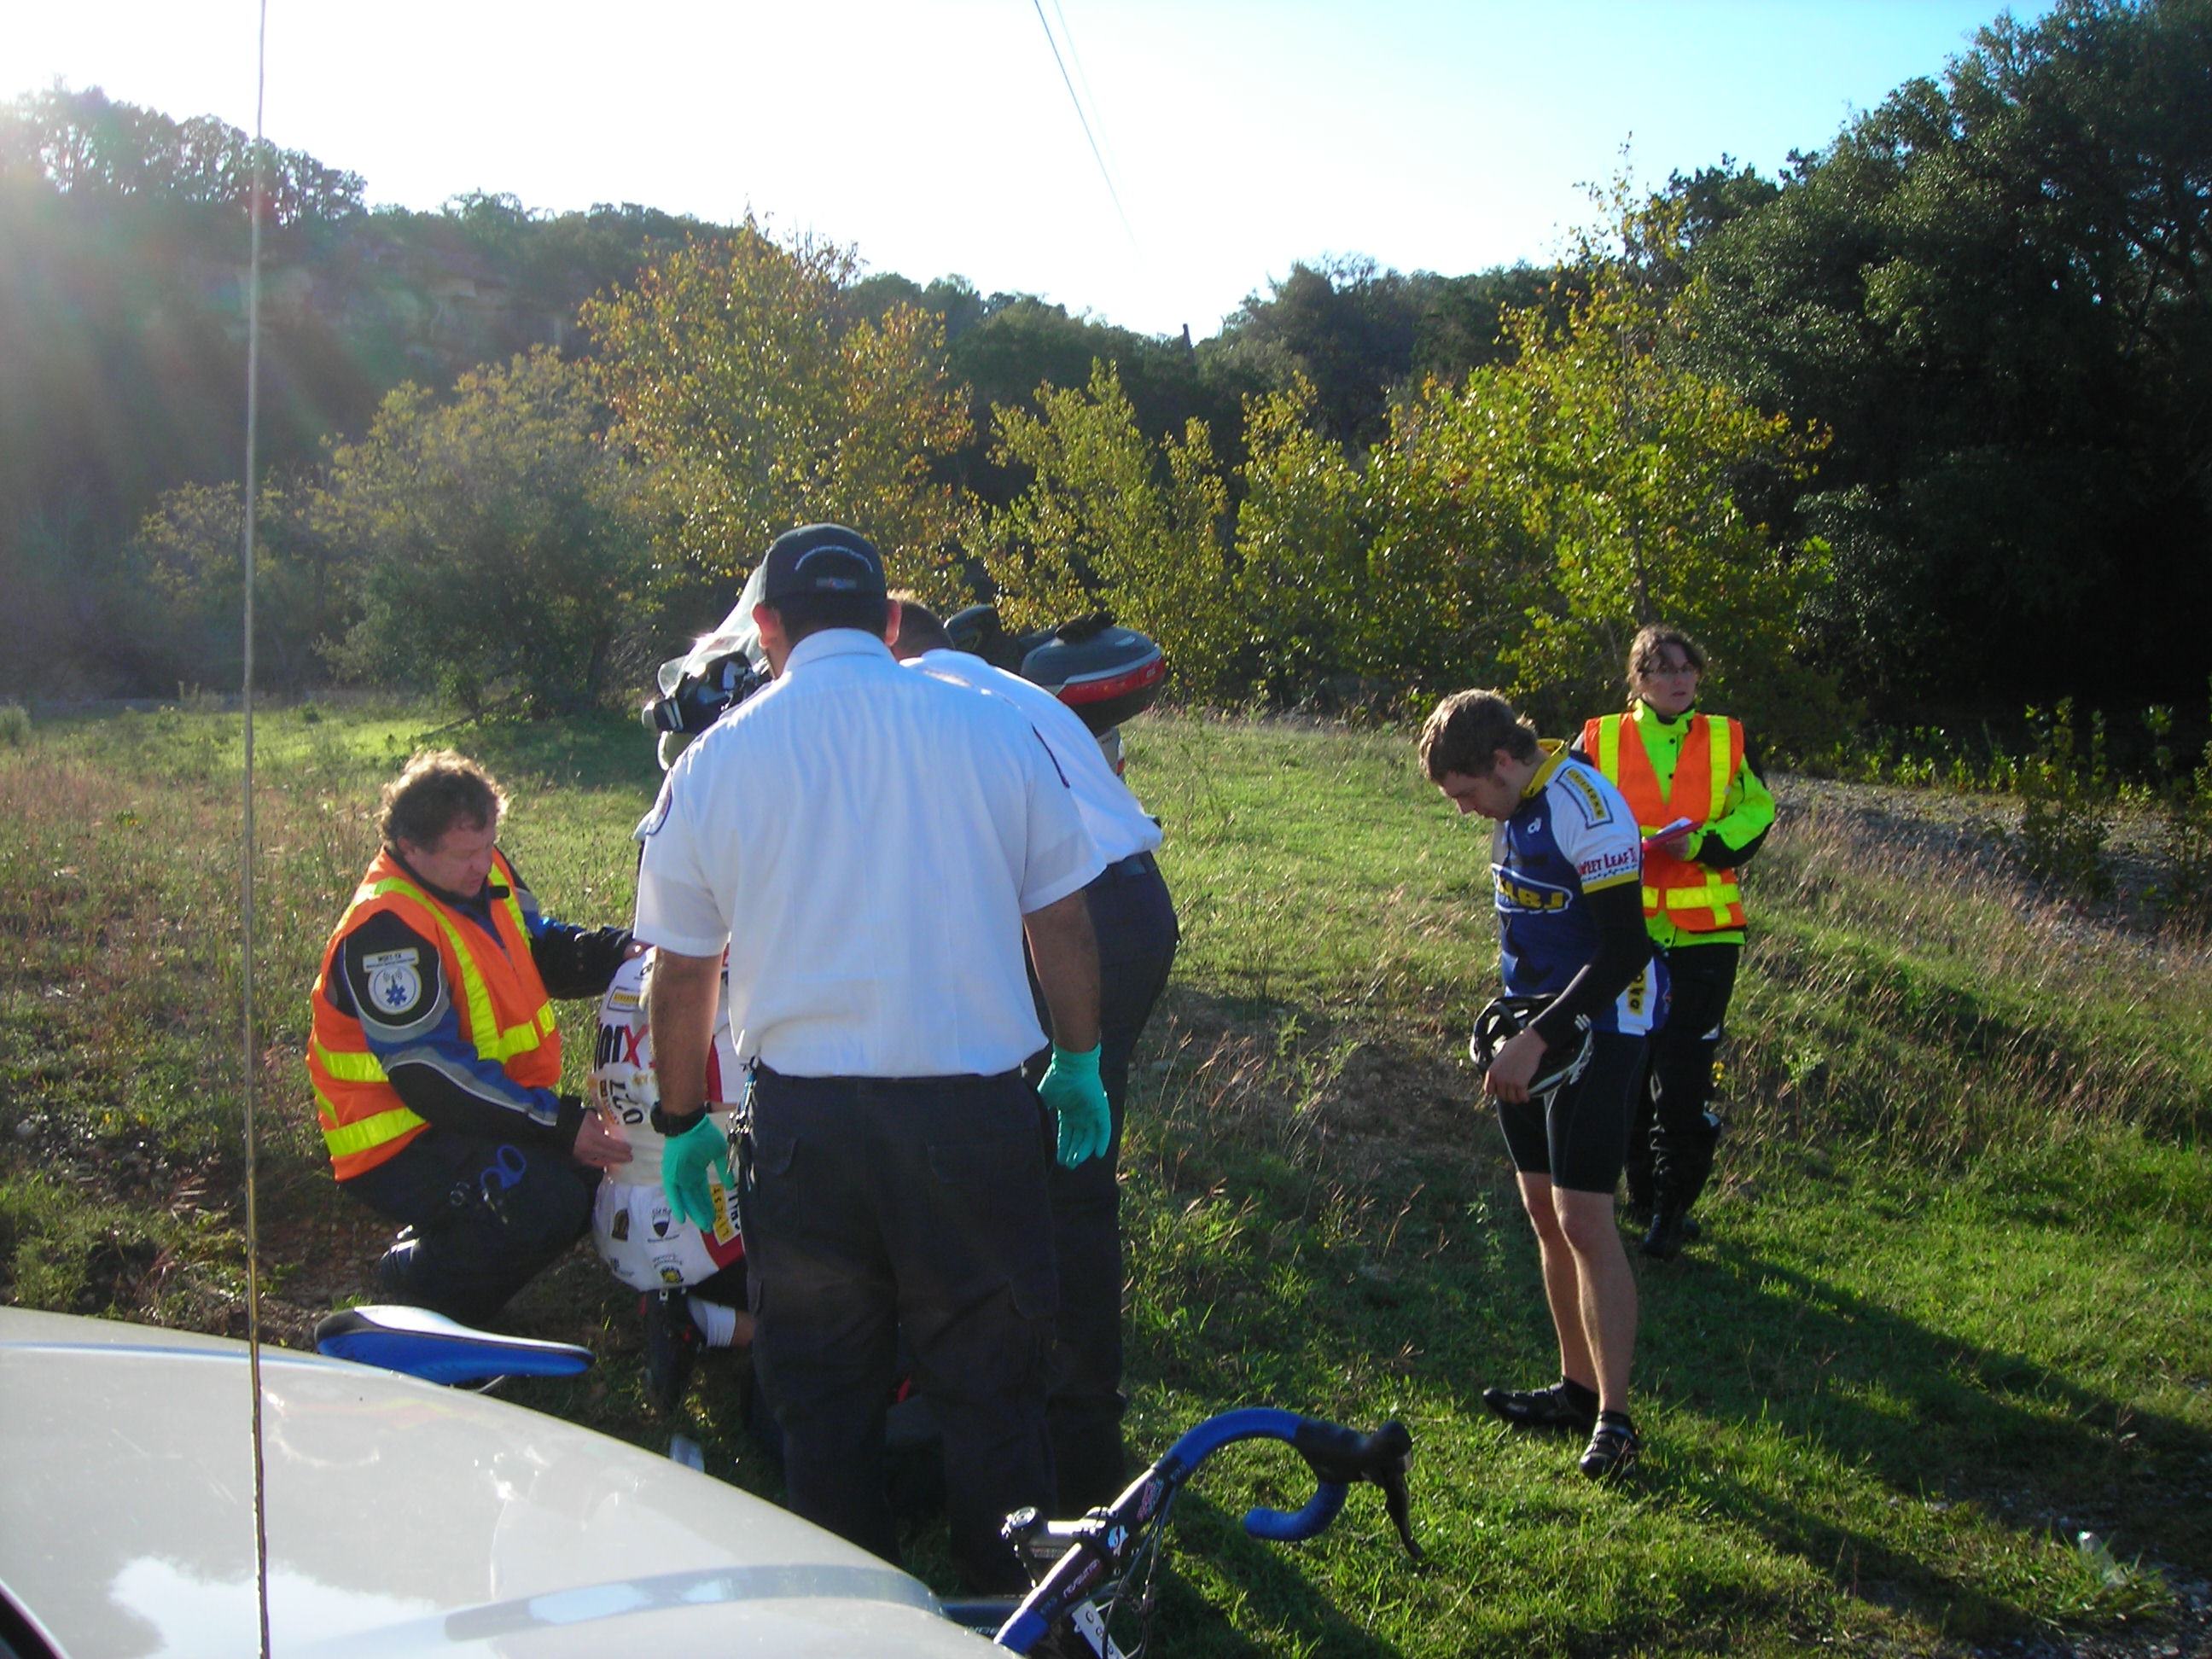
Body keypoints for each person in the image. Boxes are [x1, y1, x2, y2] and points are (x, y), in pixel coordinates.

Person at [632, 524, 1109, 1593]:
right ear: (891, 620)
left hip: (809, 1138)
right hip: (972, 1123)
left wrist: (682, 1119)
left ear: (766, 627)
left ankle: (851, 1616)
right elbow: (1064, 922)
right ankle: (1004, 1613)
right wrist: (1078, 1061)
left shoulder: (713, 761)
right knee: (992, 1389)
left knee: (824, 1398)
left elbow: (681, 970)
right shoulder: (992, 729)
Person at [889, 596, 1179, 1515]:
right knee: (1073, 1178)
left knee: (1028, 1186)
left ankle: (1042, 1433)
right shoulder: (1006, 686)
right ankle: (1082, 1429)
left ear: (888, 642)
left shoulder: (909, 697)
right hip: (1134, 907)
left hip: (1069, 921)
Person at [1421, 689, 1664, 1479]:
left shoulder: (1585, 805)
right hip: (1535, 1026)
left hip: (1606, 1024)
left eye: (1466, 794)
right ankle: (1576, 1390)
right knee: (1543, 1211)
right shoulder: (1514, 806)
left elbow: (1625, 948)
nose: (1465, 811)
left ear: (1502, 761)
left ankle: (1617, 1420)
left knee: (1584, 1219)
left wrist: (1536, 1040)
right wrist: (1517, 1029)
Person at [306, 749, 637, 1326]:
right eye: (465, 854)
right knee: (544, 1201)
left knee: (597, 1167)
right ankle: (423, 1289)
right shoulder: (387, 929)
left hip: (480, 1107)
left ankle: (447, 1250)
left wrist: (621, 953)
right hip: (400, 1141)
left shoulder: (488, 870)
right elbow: (430, 1077)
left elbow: (540, 950)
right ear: (409, 848)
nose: (483, 865)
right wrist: (559, 1125)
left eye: (489, 846)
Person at [1576, 626, 1774, 1261]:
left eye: (1687, 668)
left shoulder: (1727, 737)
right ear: (1638, 680)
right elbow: (1571, 816)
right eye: (1663, 669)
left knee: (1685, 1080)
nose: (1679, 679)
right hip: (1626, 934)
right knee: (1627, 1070)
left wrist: (1703, 845)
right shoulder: (1599, 738)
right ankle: (1640, 1198)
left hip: (1705, 935)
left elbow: (1757, 811)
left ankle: (1671, 1210)